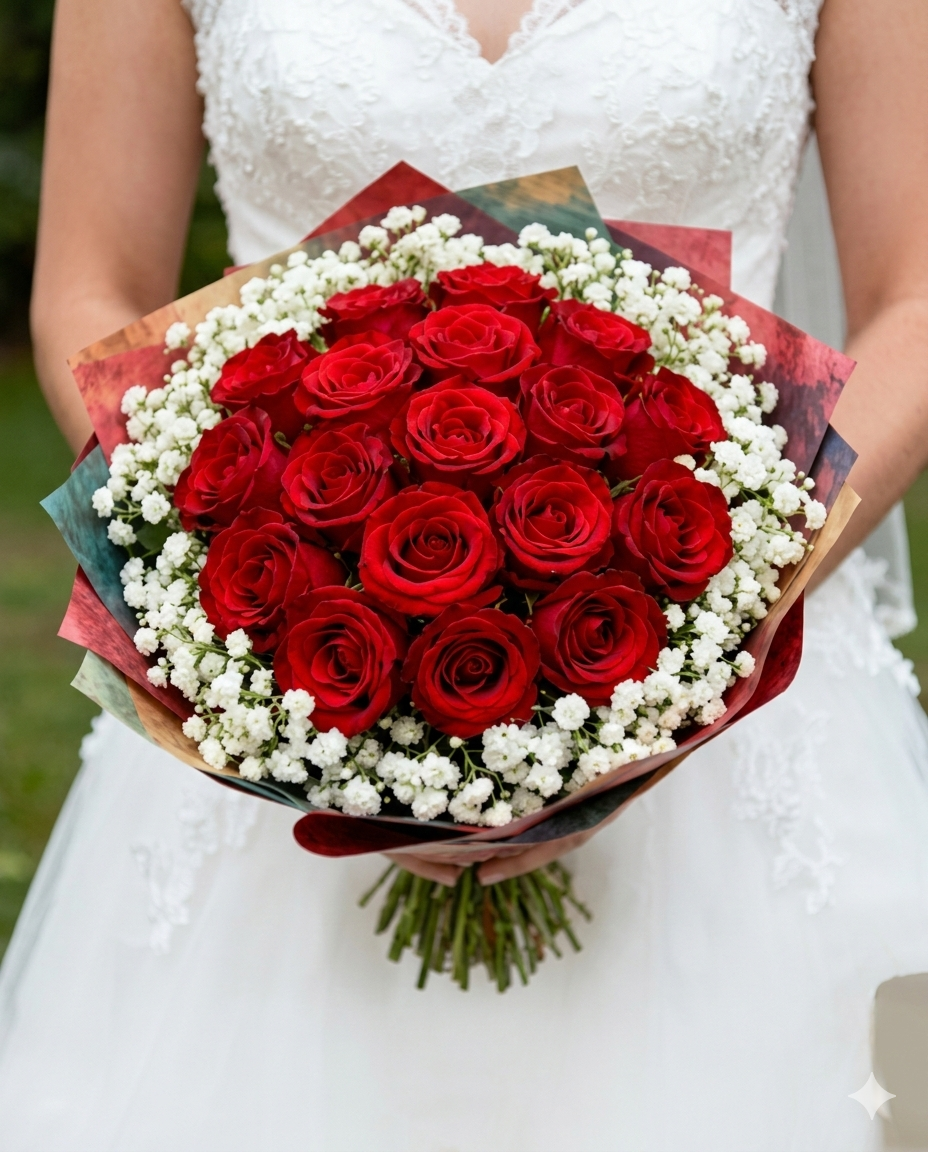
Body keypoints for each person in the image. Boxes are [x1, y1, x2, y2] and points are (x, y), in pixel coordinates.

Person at [2, 0, 928, 1147]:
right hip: (284, 686)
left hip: (736, 689)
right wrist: (249, 595)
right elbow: (88, 288)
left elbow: (915, 301)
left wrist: (712, 620)